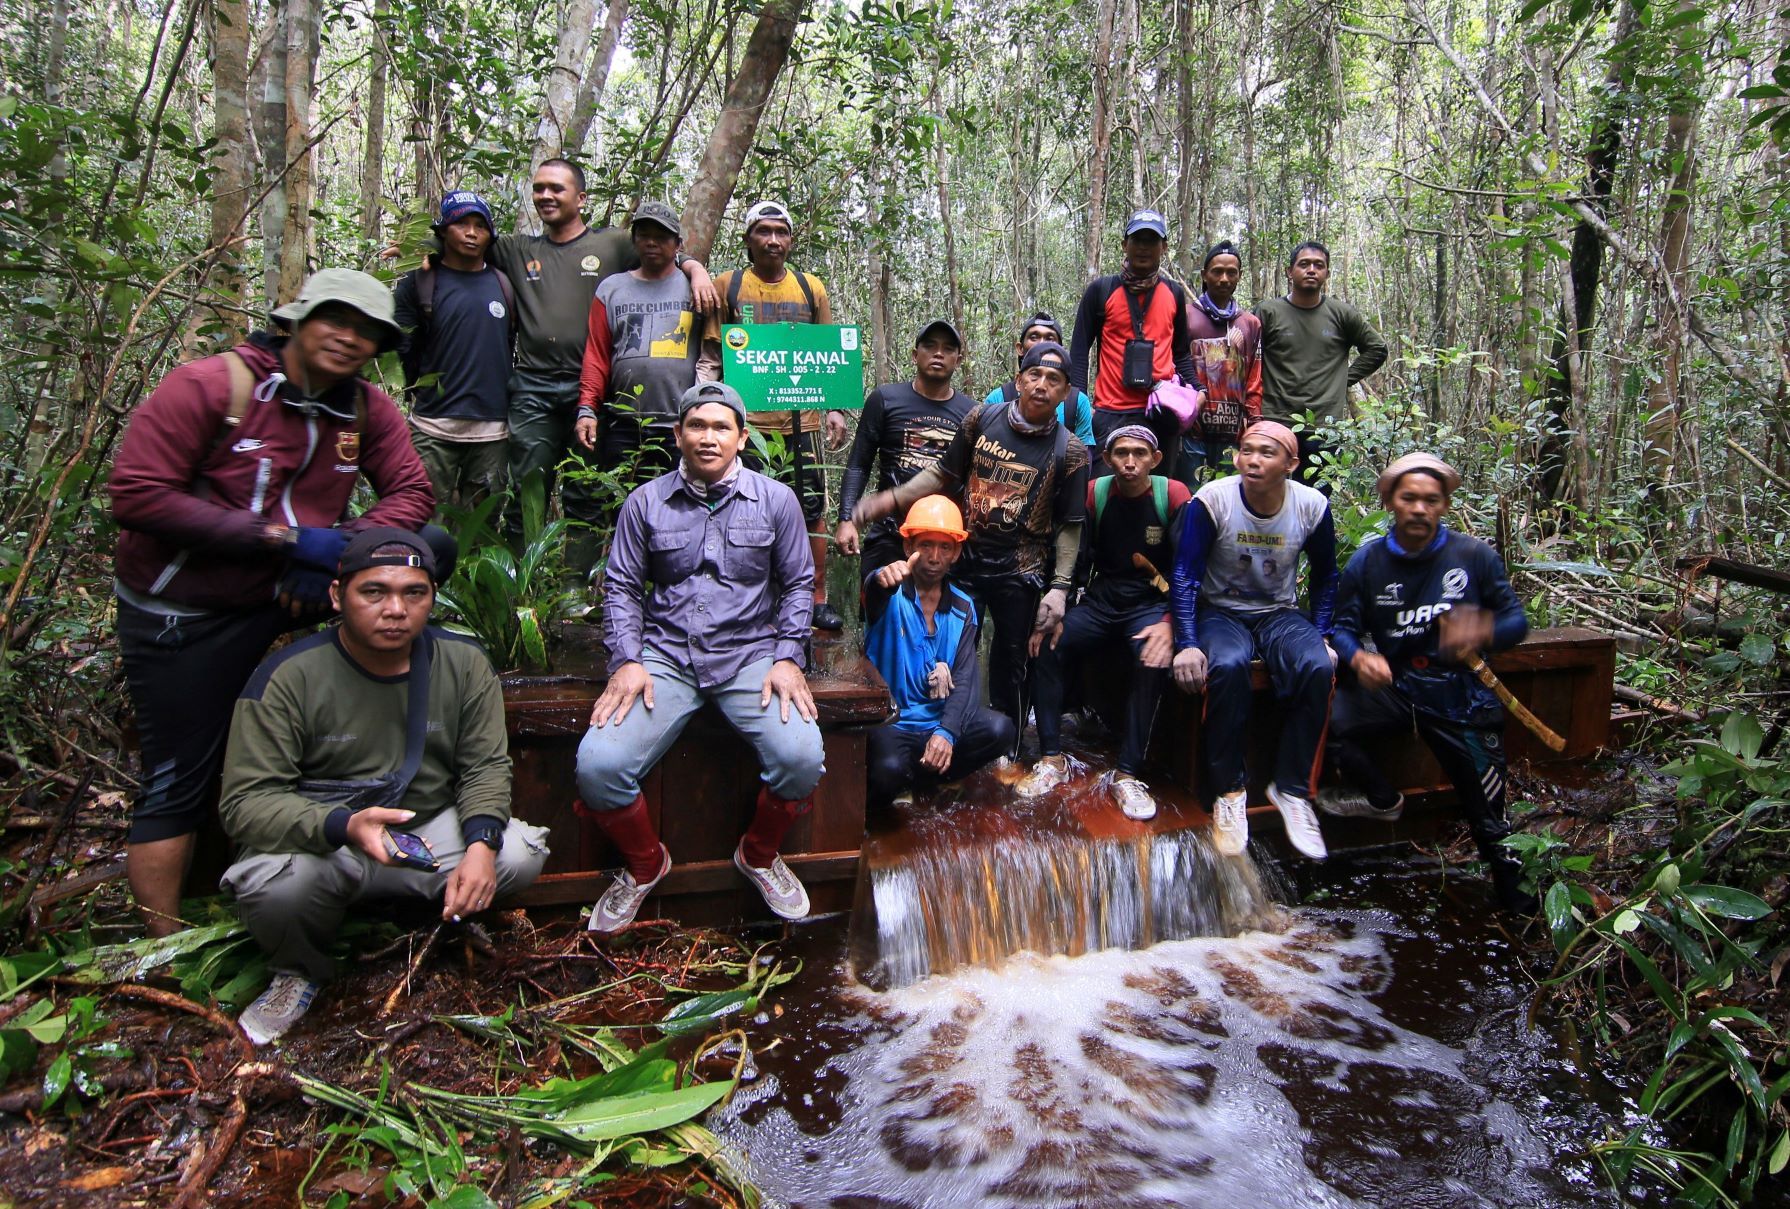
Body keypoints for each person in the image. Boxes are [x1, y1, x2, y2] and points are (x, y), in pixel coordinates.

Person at [110, 268, 443, 938]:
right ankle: (166, 946)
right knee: (179, 770)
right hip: (188, 610)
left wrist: (339, 550)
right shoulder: (212, 387)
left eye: (367, 332)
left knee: (431, 547)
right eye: (335, 321)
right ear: (295, 319)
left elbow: (411, 493)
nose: (349, 340)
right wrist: (281, 540)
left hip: (289, 593)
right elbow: (138, 493)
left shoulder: (363, 408)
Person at [219, 529, 549, 1045]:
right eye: (374, 592)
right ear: (337, 596)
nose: (395, 609)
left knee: (519, 853)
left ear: (431, 598)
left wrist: (482, 844)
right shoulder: (288, 677)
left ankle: (429, 917)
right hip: (330, 841)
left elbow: (484, 765)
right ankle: (299, 970)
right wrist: (343, 825)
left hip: (423, 832)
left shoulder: (463, 664)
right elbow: (245, 804)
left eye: (413, 593)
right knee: (274, 884)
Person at [575, 382, 826, 932]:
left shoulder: (776, 501)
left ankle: (758, 855)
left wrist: (788, 656)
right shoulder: (645, 503)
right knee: (598, 766)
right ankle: (644, 866)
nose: (708, 437)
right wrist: (625, 660)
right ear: (678, 435)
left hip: (749, 656)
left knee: (802, 757)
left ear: (741, 437)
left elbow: (798, 582)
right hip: (664, 656)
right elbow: (620, 587)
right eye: (697, 426)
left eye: (720, 428)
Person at [1323, 454, 1536, 913]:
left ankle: (1521, 914)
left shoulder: (1473, 556)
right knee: (1331, 723)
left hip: (1460, 692)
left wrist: (1482, 630)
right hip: (1396, 684)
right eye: (1409, 498)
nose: (1419, 508)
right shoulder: (1368, 561)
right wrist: (1359, 657)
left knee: (1491, 820)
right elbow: (1341, 625)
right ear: (1391, 503)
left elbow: (1517, 622)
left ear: (1444, 506)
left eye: (1431, 500)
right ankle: (1382, 799)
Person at [487, 160, 715, 576]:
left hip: (634, 403)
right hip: (547, 388)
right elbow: (466, 241)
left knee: (591, 492)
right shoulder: (522, 250)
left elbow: (672, 260)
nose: (546, 196)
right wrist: (424, 256)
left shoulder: (612, 245)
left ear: (581, 198)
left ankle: (591, 585)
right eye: (539, 188)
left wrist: (697, 269)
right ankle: (523, 588)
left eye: (557, 188)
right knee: (529, 486)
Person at [852, 341, 1089, 729]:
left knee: (1012, 660)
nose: (1042, 385)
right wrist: (889, 500)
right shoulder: (982, 419)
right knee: (951, 650)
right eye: (1034, 375)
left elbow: (1070, 525)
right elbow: (942, 475)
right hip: (966, 561)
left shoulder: (1072, 452)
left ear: (1065, 392)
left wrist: (1060, 588)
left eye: (1054, 379)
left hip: (1021, 570)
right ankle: (944, 731)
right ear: (1019, 380)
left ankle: (1004, 748)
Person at [1169, 420, 1337, 861]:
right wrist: (1187, 641)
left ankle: (1292, 789)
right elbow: (1185, 574)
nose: (1253, 461)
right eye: (1246, 451)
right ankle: (1229, 790)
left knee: (1319, 665)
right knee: (1226, 665)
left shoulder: (1311, 505)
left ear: (1292, 463)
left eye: (1267, 453)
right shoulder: (1214, 500)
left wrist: (1320, 634)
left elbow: (1325, 577)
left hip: (1278, 613)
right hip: (1220, 610)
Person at [1021, 426, 1190, 819]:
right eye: (1121, 454)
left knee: (1151, 659)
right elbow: (1078, 555)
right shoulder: (1096, 493)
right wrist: (1061, 605)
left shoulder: (1174, 496)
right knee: (1048, 644)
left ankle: (1128, 773)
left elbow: (1187, 570)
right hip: (1103, 599)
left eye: (1139, 453)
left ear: (1155, 458)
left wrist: (1171, 622)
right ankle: (1051, 758)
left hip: (1151, 603)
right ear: (1109, 458)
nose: (1130, 462)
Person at [698, 200, 850, 631]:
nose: (772, 240)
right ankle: (746, 597)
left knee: (810, 509)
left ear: (791, 239)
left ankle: (816, 597)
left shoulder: (809, 288)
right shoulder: (727, 286)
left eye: (780, 232)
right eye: (763, 231)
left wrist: (835, 408)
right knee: (737, 509)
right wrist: (703, 409)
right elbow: (711, 357)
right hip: (745, 428)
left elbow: (829, 354)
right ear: (748, 240)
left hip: (800, 423)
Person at [860, 497, 1015, 809]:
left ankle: (934, 775)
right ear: (908, 548)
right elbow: (875, 590)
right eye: (925, 545)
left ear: (956, 553)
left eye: (944, 547)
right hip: (895, 723)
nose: (934, 557)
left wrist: (947, 732)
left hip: (936, 721)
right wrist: (878, 579)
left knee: (1001, 729)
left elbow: (965, 679)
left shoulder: (963, 607)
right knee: (887, 772)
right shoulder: (890, 596)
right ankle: (910, 779)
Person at [392, 190, 514, 514]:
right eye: (461, 224)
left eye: (480, 225)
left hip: (493, 430)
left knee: (484, 532)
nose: (472, 233)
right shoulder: (417, 284)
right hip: (432, 427)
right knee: (423, 522)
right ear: (444, 230)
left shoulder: (505, 284)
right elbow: (404, 346)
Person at [835, 318, 978, 579]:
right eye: (930, 346)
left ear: (958, 360)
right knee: (882, 608)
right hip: (890, 532)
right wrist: (846, 518)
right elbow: (859, 463)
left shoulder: (971, 414)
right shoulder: (885, 399)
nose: (938, 353)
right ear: (915, 355)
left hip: (943, 539)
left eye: (948, 349)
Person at [574, 201, 699, 485]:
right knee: (623, 508)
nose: (652, 242)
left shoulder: (696, 287)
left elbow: (712, 354)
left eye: (662, 236)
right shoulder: (611, 289)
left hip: (681, 422)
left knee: (684, 507)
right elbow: (597, 355)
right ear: (634, 240)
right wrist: (587, 410)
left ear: (678, 244)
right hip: (624, 422)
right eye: (644, 235)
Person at [1068, 209, 1198, 477]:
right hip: (1110, 411)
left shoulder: (1173, 292)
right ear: (1124, 244)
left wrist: (1199, 390)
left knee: (1157, 494)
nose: (1143, 248)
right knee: (1103, 493)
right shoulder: (1101, 291)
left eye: (1151, 241)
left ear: (1163, 247)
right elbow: (1080, 349)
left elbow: (1181, 351)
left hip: (1159, 410)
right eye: (1137, 240)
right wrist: (1081, 404)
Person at [1253, 240, 1387, 489]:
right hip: (1274, 419)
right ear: (1289, 271)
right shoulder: (1268, 312)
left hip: (1324, 425)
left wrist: (1342, 379)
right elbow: (1245, 356)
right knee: (1266, 495)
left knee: (1314, 501)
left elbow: (1377, 348)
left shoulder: (1342, 314)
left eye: (1319, 265)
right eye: (1304, 264)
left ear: (1327, 272)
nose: (1311, 270)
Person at [1176, 240, 1263, 484]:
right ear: (1204, 275)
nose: (1224, 279)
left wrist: (1254, 423)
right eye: (1217, 272)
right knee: (1191, 498)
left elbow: (1254, 376)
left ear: (1239, 276)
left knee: (1227, 499)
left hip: (1233, 433)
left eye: (1231, 272)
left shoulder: (1250, 324)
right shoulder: (1185, 316)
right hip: (1191, 431)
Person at [984, 312, 1095, 448]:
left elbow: (1083, 458)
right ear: (1020, 348)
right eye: (1034, 337)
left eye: (1049, 338)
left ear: (1060, 349)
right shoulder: (998, 398)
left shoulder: (1077, 402)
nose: (1041, 344)